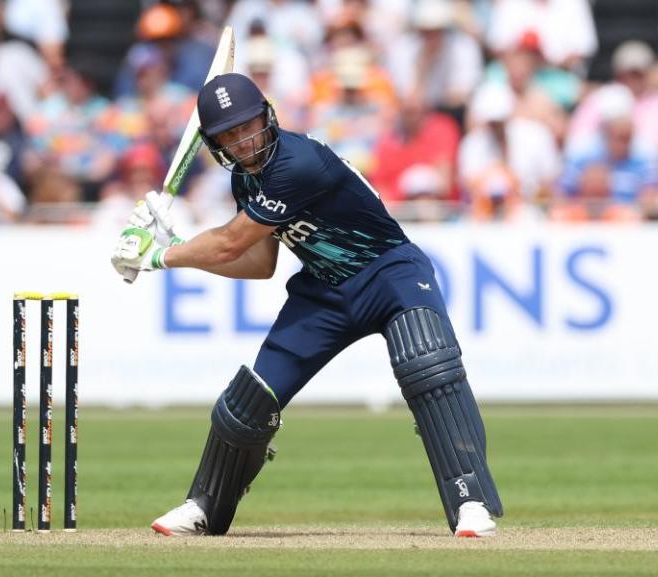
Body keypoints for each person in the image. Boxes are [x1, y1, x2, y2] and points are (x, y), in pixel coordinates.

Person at [110, 73, 502, 537]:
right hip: (324, 290)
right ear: (216, 145)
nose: (242, 140)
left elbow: (230, 244)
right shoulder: (245, 180)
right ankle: (204, 507)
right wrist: (176, 245)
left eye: (248, 125)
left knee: (427, 364)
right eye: (229, 135)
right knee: (249, 401)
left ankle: (470, 501)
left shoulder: (298, 162)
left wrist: (160, 254)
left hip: (389, 272)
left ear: (267, 116)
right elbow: (258, 261)